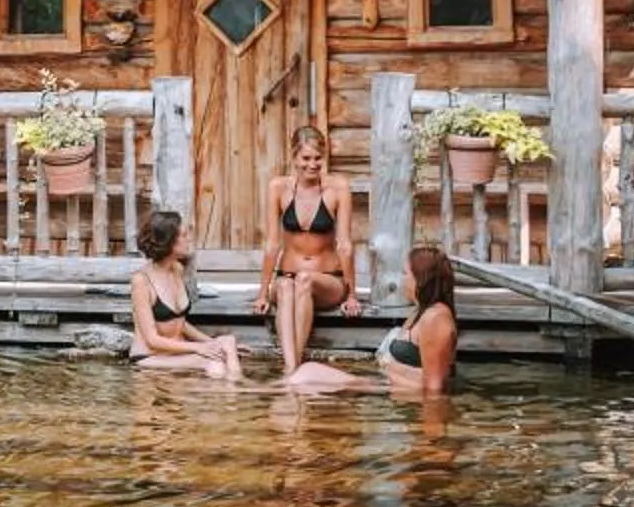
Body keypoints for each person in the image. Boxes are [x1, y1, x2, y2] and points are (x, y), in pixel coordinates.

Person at [254, 124, 360, 378]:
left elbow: (344, 244)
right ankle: (292, 369)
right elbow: (272, 244)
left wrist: (353, 294)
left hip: (327, 282)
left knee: (303, 279)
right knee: (285, 286)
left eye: (317, 158)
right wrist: (262, 294)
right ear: (293, 157)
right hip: (288, 275)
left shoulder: (338, 188)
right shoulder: (278, 187)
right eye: (306, 158)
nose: (312, 165)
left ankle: (293, 367)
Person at [128, 210, 242, 379]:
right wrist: (198, 348)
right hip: (151, 357)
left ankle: (236, 392)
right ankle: (233, 397)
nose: (189, 239)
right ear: (168, 242)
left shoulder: (177, 269)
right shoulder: (141, 281)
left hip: (176, 353)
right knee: (214, 362)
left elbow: (178, 322)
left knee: (228, 342)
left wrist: (212, 344)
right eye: (183, 235)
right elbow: (152, 339)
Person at [378, 244, 461, 399]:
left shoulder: (435, 318)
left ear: (421, 278)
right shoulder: (420, 311)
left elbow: (434, 388)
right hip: (391, 389)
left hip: (406, 398)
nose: (402, 279)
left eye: (406, 274)